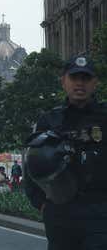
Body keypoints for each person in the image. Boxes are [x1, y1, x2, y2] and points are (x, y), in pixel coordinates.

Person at [23, 55, 107, 249]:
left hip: (100, 214)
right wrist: (41, 204)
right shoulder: (50, 120)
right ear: (63, 81)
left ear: (95, 83)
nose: (79, 83)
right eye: (74, 78)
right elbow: (32, 166)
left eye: (85, 78)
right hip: (61, 214)